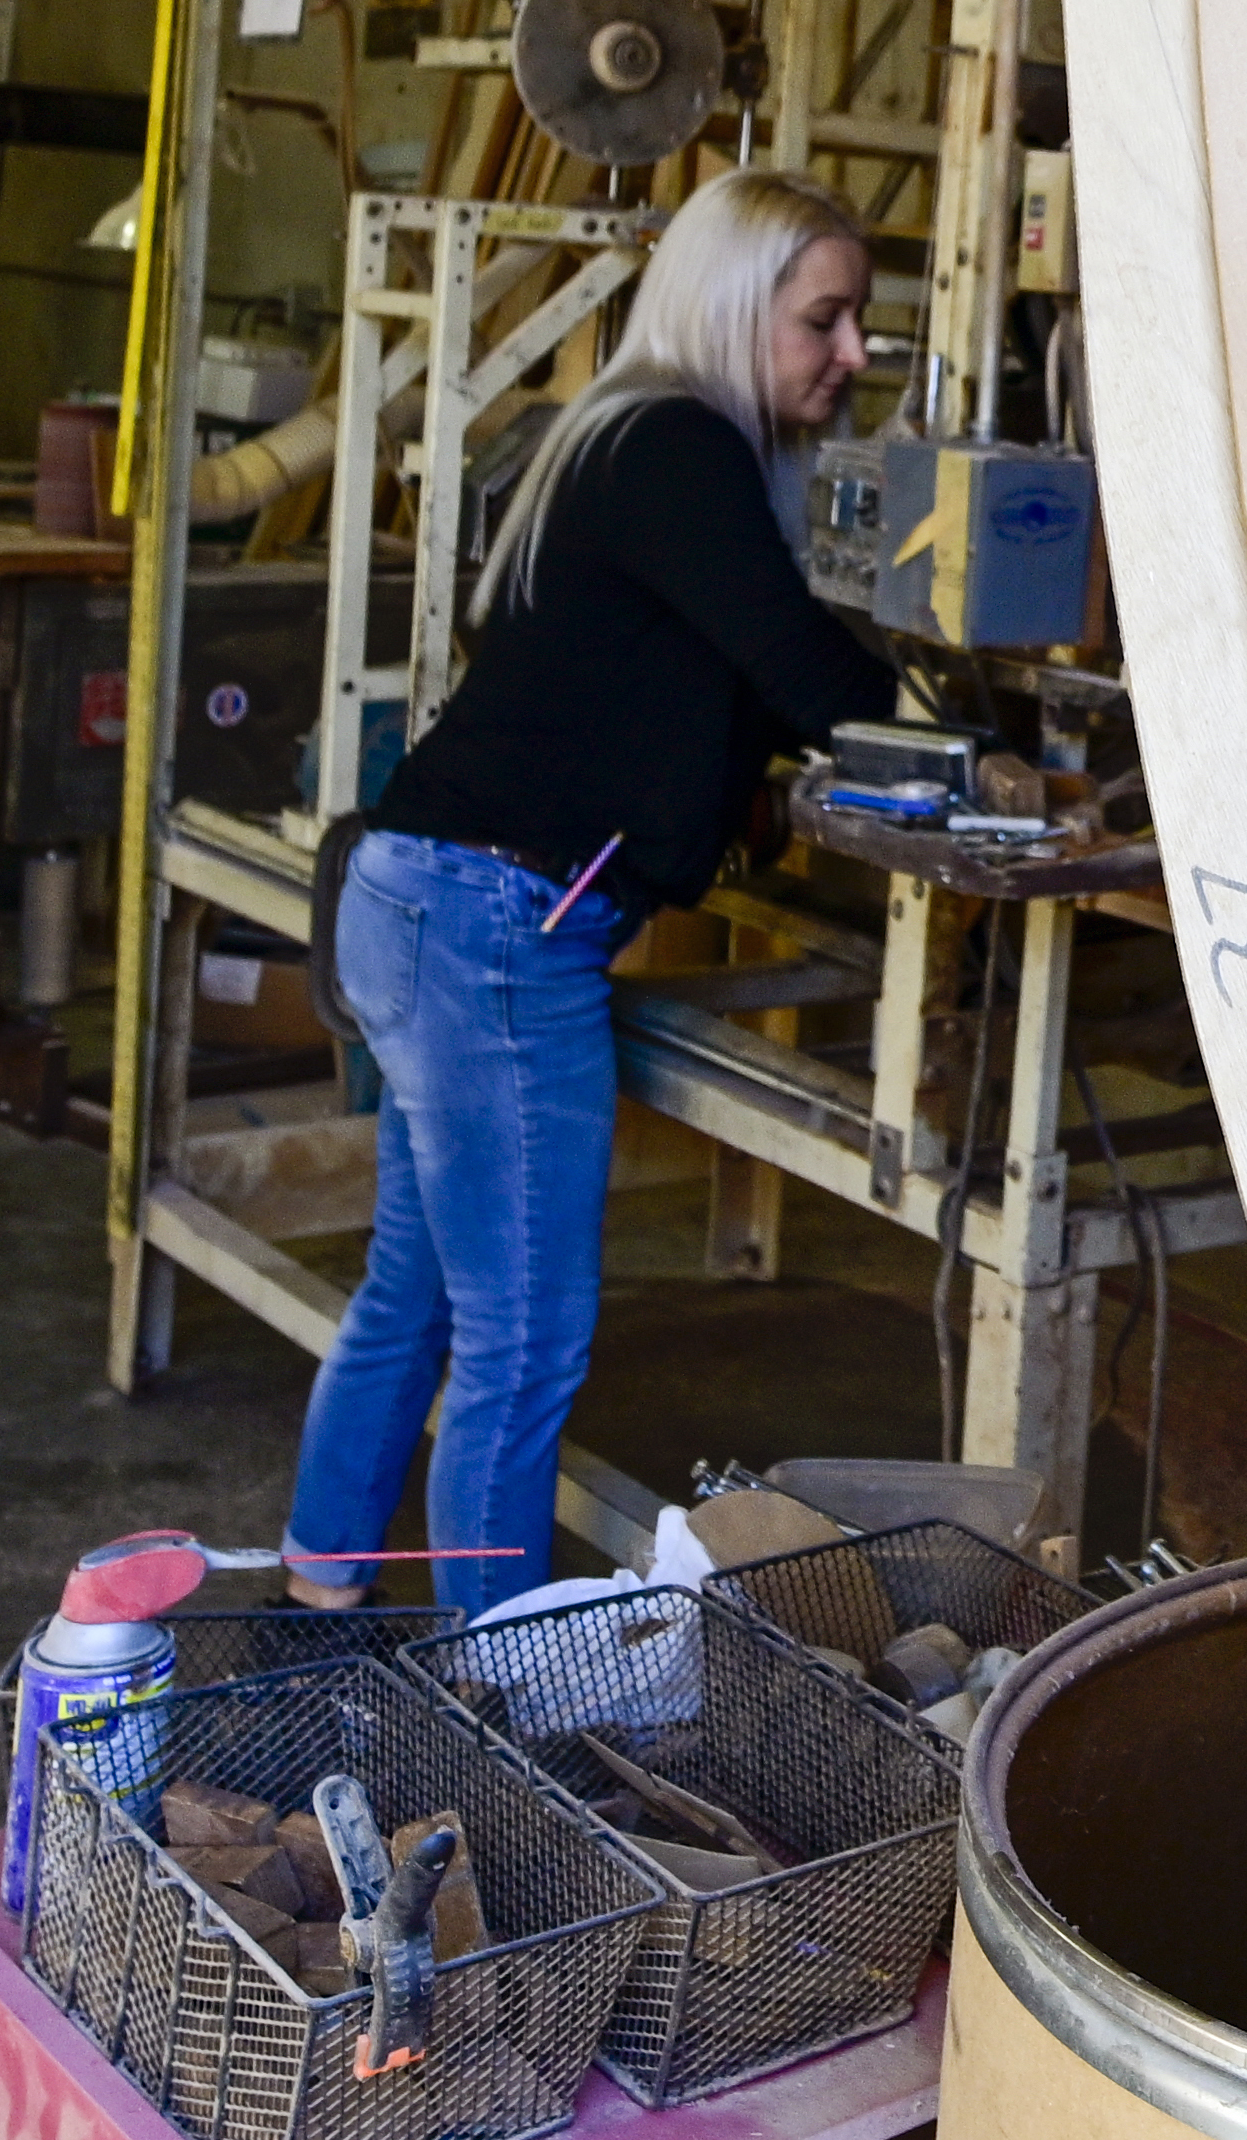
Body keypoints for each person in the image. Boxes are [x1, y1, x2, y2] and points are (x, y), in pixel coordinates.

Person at [305, 165, 886, 1610]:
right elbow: (805, 673)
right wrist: (980, 747)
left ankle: (319, 1606)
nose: (855, 354)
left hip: (427, 894)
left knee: (421, 1297)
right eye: (828, 320)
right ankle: (492, 1690)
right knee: (522, 1340)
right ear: (740, 309)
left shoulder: (631, 439)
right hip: (493, 928)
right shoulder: (682, 447)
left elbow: (704, 682)